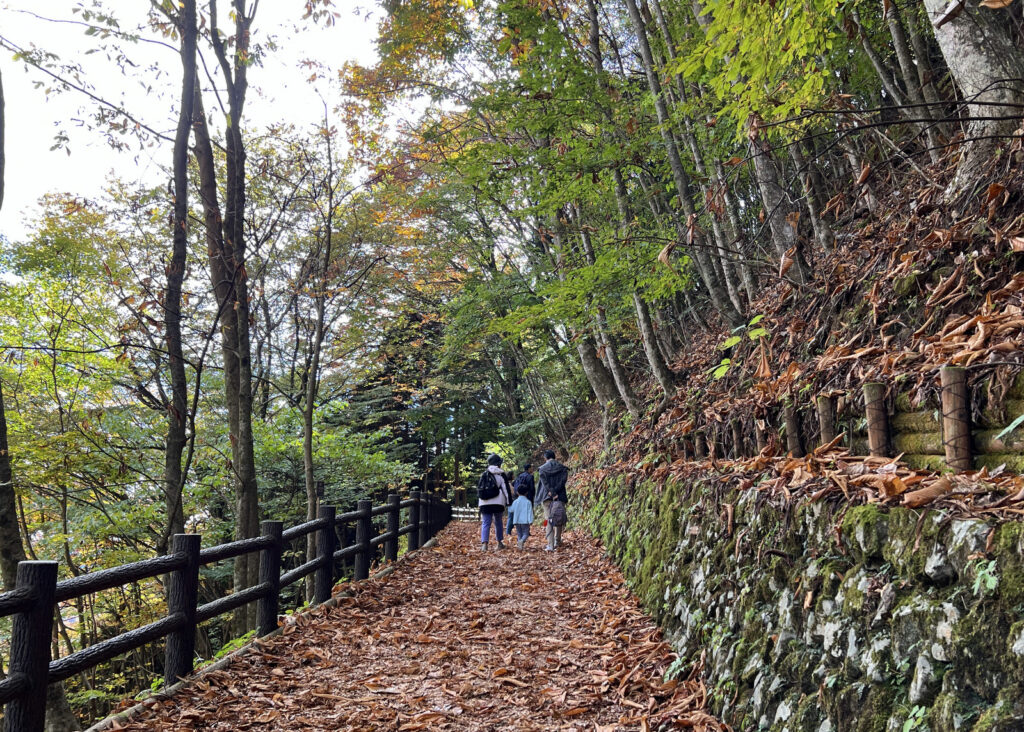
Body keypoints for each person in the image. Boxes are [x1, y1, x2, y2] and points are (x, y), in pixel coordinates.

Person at [534, 449, 568, 551]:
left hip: (547, 497)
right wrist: (556, 492)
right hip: (560, 496)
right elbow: (563, 481)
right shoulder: (562, 468)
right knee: (558, 517)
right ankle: (558, 540)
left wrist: (551, 492)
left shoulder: (542, 469)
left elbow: (544, 483)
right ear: (555, 457)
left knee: (549, 520)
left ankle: (551, 544)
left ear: (545, 458)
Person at [477, 453, 513, 551]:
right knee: (498, 522)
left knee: (486, 522)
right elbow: (506, 490)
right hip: (498, 502)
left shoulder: (484, 474)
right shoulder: (501, 474)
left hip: (484, 502)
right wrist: (509, 502)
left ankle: (484, 544)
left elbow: (480, 489)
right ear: (498, 463)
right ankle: (499, 543)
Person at [506, 462, 535, 538]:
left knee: (516, 513)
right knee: (527, 511)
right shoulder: (530, 477)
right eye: (531, 467)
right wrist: (532, 496)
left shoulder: (519, 476)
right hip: (527, 496)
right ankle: (526, 531)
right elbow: (532, 488)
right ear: (528, 469)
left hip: (517, 496)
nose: (532, 469)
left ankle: (510, 531)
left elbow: (513, 484)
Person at [509, 484, 535, 549]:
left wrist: (508, 504)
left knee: (519, 533)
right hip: (525, 521)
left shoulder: (515, 502)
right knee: (526, 533)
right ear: (527, 492)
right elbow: (530, 512)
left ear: (517, 492)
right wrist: (530, 520)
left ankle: (520, 545)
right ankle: (522, 541)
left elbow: (511, 510)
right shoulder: (528, 502)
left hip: (517, 521)